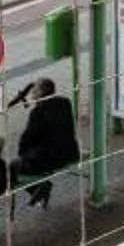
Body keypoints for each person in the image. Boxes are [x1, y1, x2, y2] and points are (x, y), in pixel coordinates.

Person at [14, 78, 81, 208]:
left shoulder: (37, 112)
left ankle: (39, 188)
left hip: (51, 159)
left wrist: (22, 153)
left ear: (41, 93)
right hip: (71, 152)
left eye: (34, 91)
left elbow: (28, 137)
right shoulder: (65, 102)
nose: (31, 93)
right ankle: (41, 189)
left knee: (13, 166)